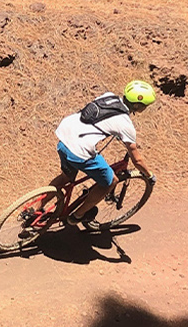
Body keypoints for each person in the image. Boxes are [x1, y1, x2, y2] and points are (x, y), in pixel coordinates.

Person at [52, 80, 156, 225]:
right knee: (111, 181)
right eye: (145, 105)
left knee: (65, 178)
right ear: (138, 105)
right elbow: (137, 161)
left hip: (64, 135)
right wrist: (149, 175)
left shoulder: (109, 96)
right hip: (79, 151)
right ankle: (77, 216)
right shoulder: (126, 125)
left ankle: (31, 209)